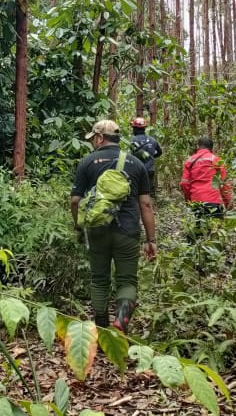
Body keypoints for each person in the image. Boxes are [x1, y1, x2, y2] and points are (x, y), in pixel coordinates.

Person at [70, 119, 157, 331]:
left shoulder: (87, 162)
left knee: (99, 279)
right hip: (128, 230)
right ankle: (120, 321)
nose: (92, 143)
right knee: (127, 280)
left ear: (100, 138)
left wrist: (80, 227)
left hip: (97, 230)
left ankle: (101, 327)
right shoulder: (136, 164)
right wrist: (151, 239)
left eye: (93, 139)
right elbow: (145, 204)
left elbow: (75, 201)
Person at [179, 136, 232, 227]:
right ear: (211, 148)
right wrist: (228, 203)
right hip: (213, 200)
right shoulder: (216, 160)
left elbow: (184, 183)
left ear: (198, 146)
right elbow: (223, 183)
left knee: (200, 230)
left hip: (196, 200)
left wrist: (189, 201)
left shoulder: (190, 160)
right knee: (216, 231)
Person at [129, 117, 163, 199]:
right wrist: (151, 157)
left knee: (137, 191)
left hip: (137, 170)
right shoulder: (152, 140)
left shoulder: (132, 140)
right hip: (149, 169)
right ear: (144, 128)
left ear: (135, 129)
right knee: (148, 191)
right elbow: (160, 152)